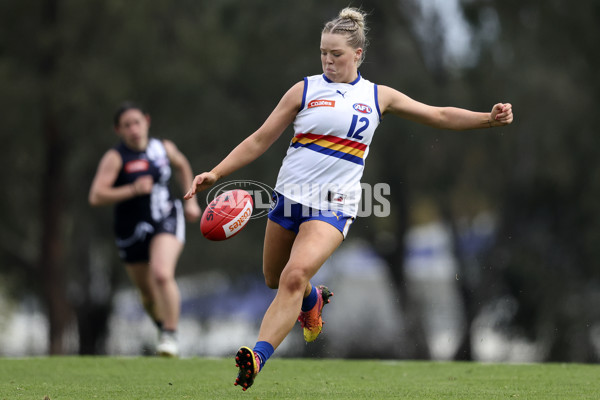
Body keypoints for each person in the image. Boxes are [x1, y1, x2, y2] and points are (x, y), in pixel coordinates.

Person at [184, 7, 513, 390]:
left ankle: (256, 358)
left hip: (333, 206)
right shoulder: (304, 90)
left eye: (336, 54)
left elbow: (438, 114)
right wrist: (217, 172)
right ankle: (312, 303)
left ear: (358, 54)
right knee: (276, 278)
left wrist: (487, 118)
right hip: (289, 199)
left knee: (294, 275)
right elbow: (260, 139)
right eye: (323, 52)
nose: (328, 60)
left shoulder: (377, 96)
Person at [89, 101, 201, 357]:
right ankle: (162, 326)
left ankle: (170, 335)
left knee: (162, 274)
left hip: (166, 217)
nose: (134, 129)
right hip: (130, 228)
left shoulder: (163, 148)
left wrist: (191, 201)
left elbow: (183, 166)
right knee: (148, 294)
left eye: (137, 122)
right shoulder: (115, 158)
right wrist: (132, 189)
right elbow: (96, 195)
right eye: (126, 125)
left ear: (146, 121)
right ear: (118, 130)